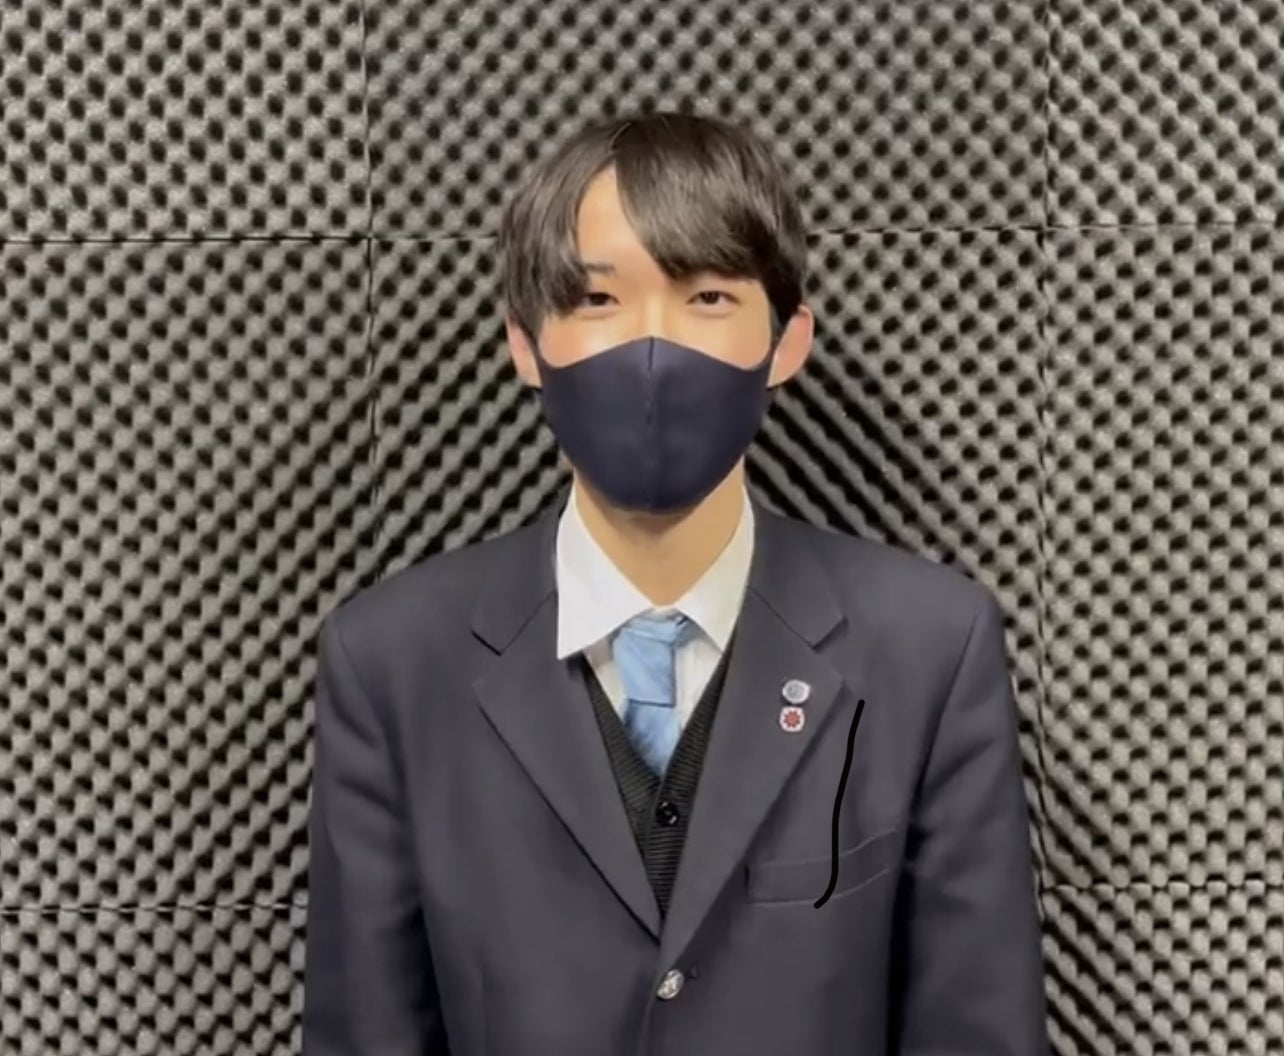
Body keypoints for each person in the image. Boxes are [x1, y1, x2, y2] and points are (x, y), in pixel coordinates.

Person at [300, 109, 1050, 1056]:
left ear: (787, 340)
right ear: (525, 344)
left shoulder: (929, 651)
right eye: (598, 299)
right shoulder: (392, 666)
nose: (651, 349)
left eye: (706, 296)